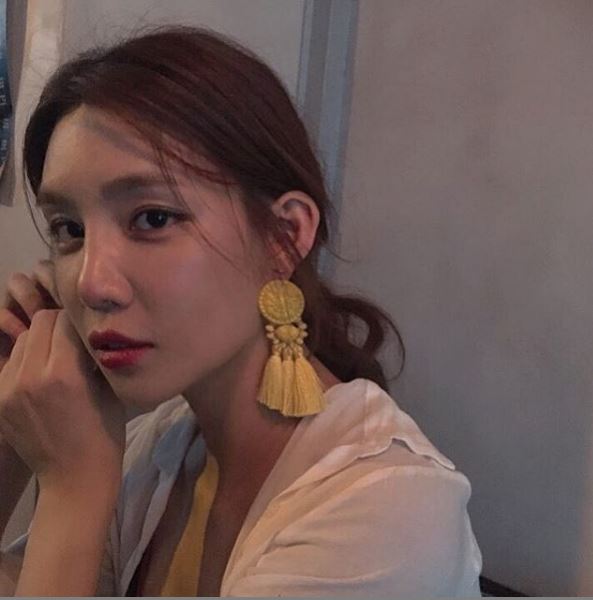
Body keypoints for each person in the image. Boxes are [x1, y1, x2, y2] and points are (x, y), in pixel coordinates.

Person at [0, 25, 482, 597]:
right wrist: (11, 431)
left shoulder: (387, 508)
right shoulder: (163, 449)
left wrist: (73, 484)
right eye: (69, 229)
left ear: (284, 237)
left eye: (152, 218)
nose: (91, 283)